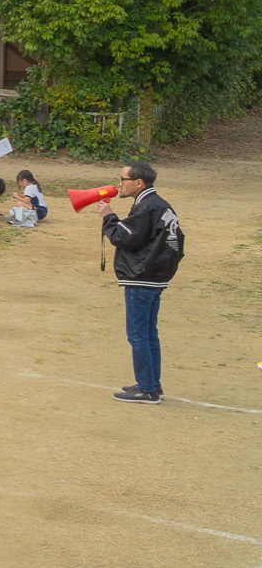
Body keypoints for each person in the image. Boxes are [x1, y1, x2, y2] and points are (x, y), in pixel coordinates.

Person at [101, 163, 185, 404]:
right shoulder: (158, 204)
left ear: (139, 182)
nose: (120, 183)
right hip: (156, 275)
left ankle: (147, 389)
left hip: (142, 277)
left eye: (123, 179)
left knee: (138, 334)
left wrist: (109, 217)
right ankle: (151, 383)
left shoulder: (147, 206)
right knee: (148, 333)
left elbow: (124, 237)